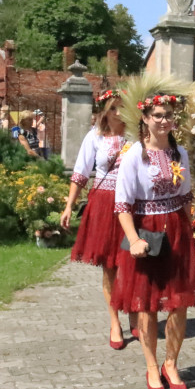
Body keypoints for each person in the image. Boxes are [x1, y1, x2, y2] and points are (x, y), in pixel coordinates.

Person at [112, 93, 195, 389]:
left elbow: (186, 197)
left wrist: (194, 234)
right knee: (147, 305)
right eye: (159, 115)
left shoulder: (181, 154)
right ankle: (151, 366)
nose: (165, 121)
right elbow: (122, 205)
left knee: (179, 303)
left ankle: (171, 363)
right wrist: (134, 239)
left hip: (176, 230)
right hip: (147, 232)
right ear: (145, 118)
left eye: (169, 115)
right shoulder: (134, 155)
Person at [61, 90, 131, 349]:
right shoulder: (95, 137)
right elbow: (80, 172)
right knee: (110, 266)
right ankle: (115, 320)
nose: (119, 113)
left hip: (133, 204)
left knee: (133, 262)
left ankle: (134, 310)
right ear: (105, 111)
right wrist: (69, 206)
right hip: (104, 203)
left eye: (123, 108)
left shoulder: (136, 135)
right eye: (114, 108)